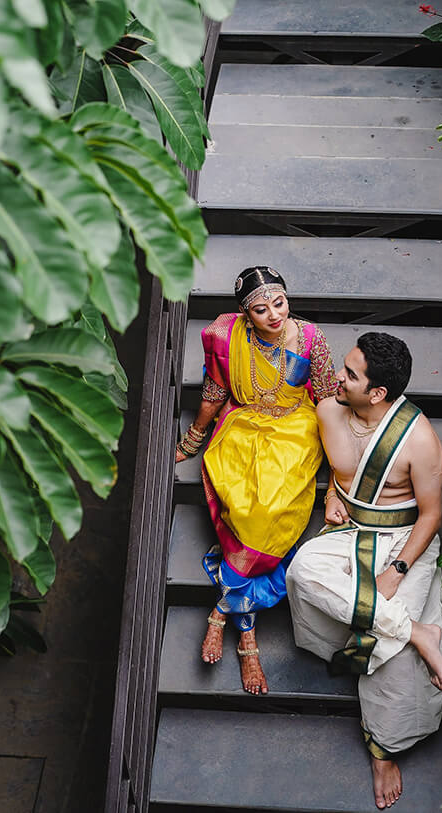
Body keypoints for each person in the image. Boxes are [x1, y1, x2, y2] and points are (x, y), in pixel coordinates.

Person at [286, 332, 442, 810]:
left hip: (403, 541)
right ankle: (414, 629)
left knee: (395, 660)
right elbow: (333, 470)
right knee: (302, 571)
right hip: (350, 533)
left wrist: (399, 568)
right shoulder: (328, 410)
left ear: (377, 393)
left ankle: (383, 749)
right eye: (344, 366)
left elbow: (431, 515)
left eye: (350, 375)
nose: (338, 377)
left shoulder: (420, 441)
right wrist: (331, 495)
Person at [175, 266, 339, 694]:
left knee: (266, 512)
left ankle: (223, 616)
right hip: (244, 425)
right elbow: (214, 392)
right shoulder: (228, 338)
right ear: (247, 314)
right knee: (245, 508)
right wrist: (194, 438)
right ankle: (245, 634)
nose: (274, 315)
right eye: (261, 309)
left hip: (294, 432)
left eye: (279, 303)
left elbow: (325, 399)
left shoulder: (311, 339)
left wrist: (339, 478)